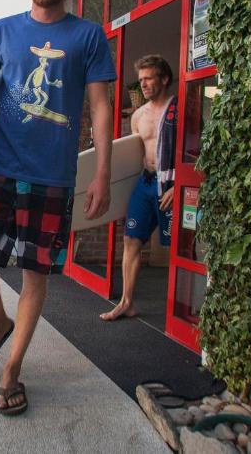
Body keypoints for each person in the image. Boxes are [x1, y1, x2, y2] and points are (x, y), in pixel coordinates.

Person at [0, 0, 116, 416]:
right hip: (1, 166)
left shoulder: (88, 37)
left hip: (53, 176)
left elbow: (100, 106)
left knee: (35, 276)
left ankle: (11, 371)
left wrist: (103, 172)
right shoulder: (1, 32)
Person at [99, 54, 177, 322]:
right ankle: (127, 302)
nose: (143, 84)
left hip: (171, 186)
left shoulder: (179, 110)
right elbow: (133, 156)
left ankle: (182, 312)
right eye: (141, 79)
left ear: (164, 79)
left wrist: (178, 187)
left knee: (177, 247)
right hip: (145, 184)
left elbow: (195, 152)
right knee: (130, 240)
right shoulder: (139, 116)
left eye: (149, 78)